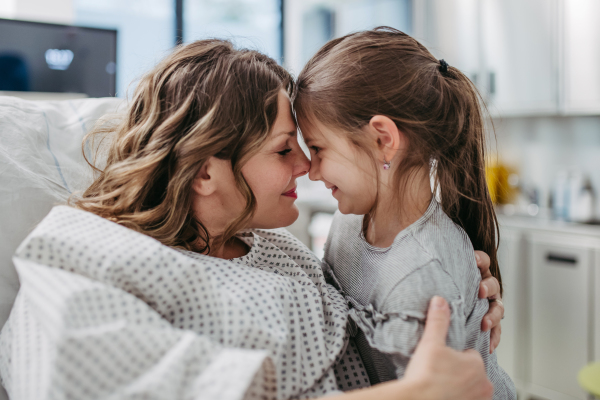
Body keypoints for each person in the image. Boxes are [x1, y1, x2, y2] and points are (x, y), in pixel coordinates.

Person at [0, 39, 502, 400]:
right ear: (204, 171)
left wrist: (452, 285)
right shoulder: (80, 251)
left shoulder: (275, 248)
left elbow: (373, 322)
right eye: (284, 149)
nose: (305, 166)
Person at [293, 27, 515, 399]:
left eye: (318, 148)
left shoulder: (422, 274)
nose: (311, 170)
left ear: (383, 140)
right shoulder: (348, 221)